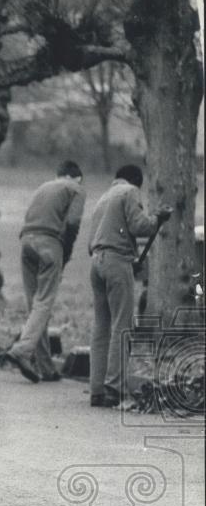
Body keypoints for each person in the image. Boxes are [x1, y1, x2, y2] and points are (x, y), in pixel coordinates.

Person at [87, 164, 172, 407]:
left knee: (101, 325)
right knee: (121, 325)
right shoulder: (130, 192)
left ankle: (97, 389)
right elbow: (139, 226)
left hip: (96, 262)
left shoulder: (103, 197)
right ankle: (114, 388)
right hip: (116, 261)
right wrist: (158, 218)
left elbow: (92, 239)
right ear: (137, 181)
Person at [5, 161, 86, 383]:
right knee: (44, 303)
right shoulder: (76, 188)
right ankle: (22, 349)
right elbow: (72, 223)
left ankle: (45, 367)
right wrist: (66, 253)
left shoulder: (43, 186)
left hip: (26, 241)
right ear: (76, 177)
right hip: (49, 244)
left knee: (34, 305)